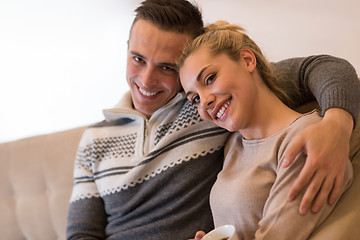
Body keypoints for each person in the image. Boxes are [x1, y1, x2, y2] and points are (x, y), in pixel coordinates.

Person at [66, 0, 360, 239]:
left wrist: (337, 122)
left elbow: (322, 68)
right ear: (127, 46)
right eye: (138, 58)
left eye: (167, 67)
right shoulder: (94, 140)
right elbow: (81, 233)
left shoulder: (211, 109)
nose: (146, 80)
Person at [178, 21, 353, 240]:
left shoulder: (306, 139)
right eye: (195, 98)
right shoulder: (233, 145)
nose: (204, 102)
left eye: (210, 79)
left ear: (247, 60)